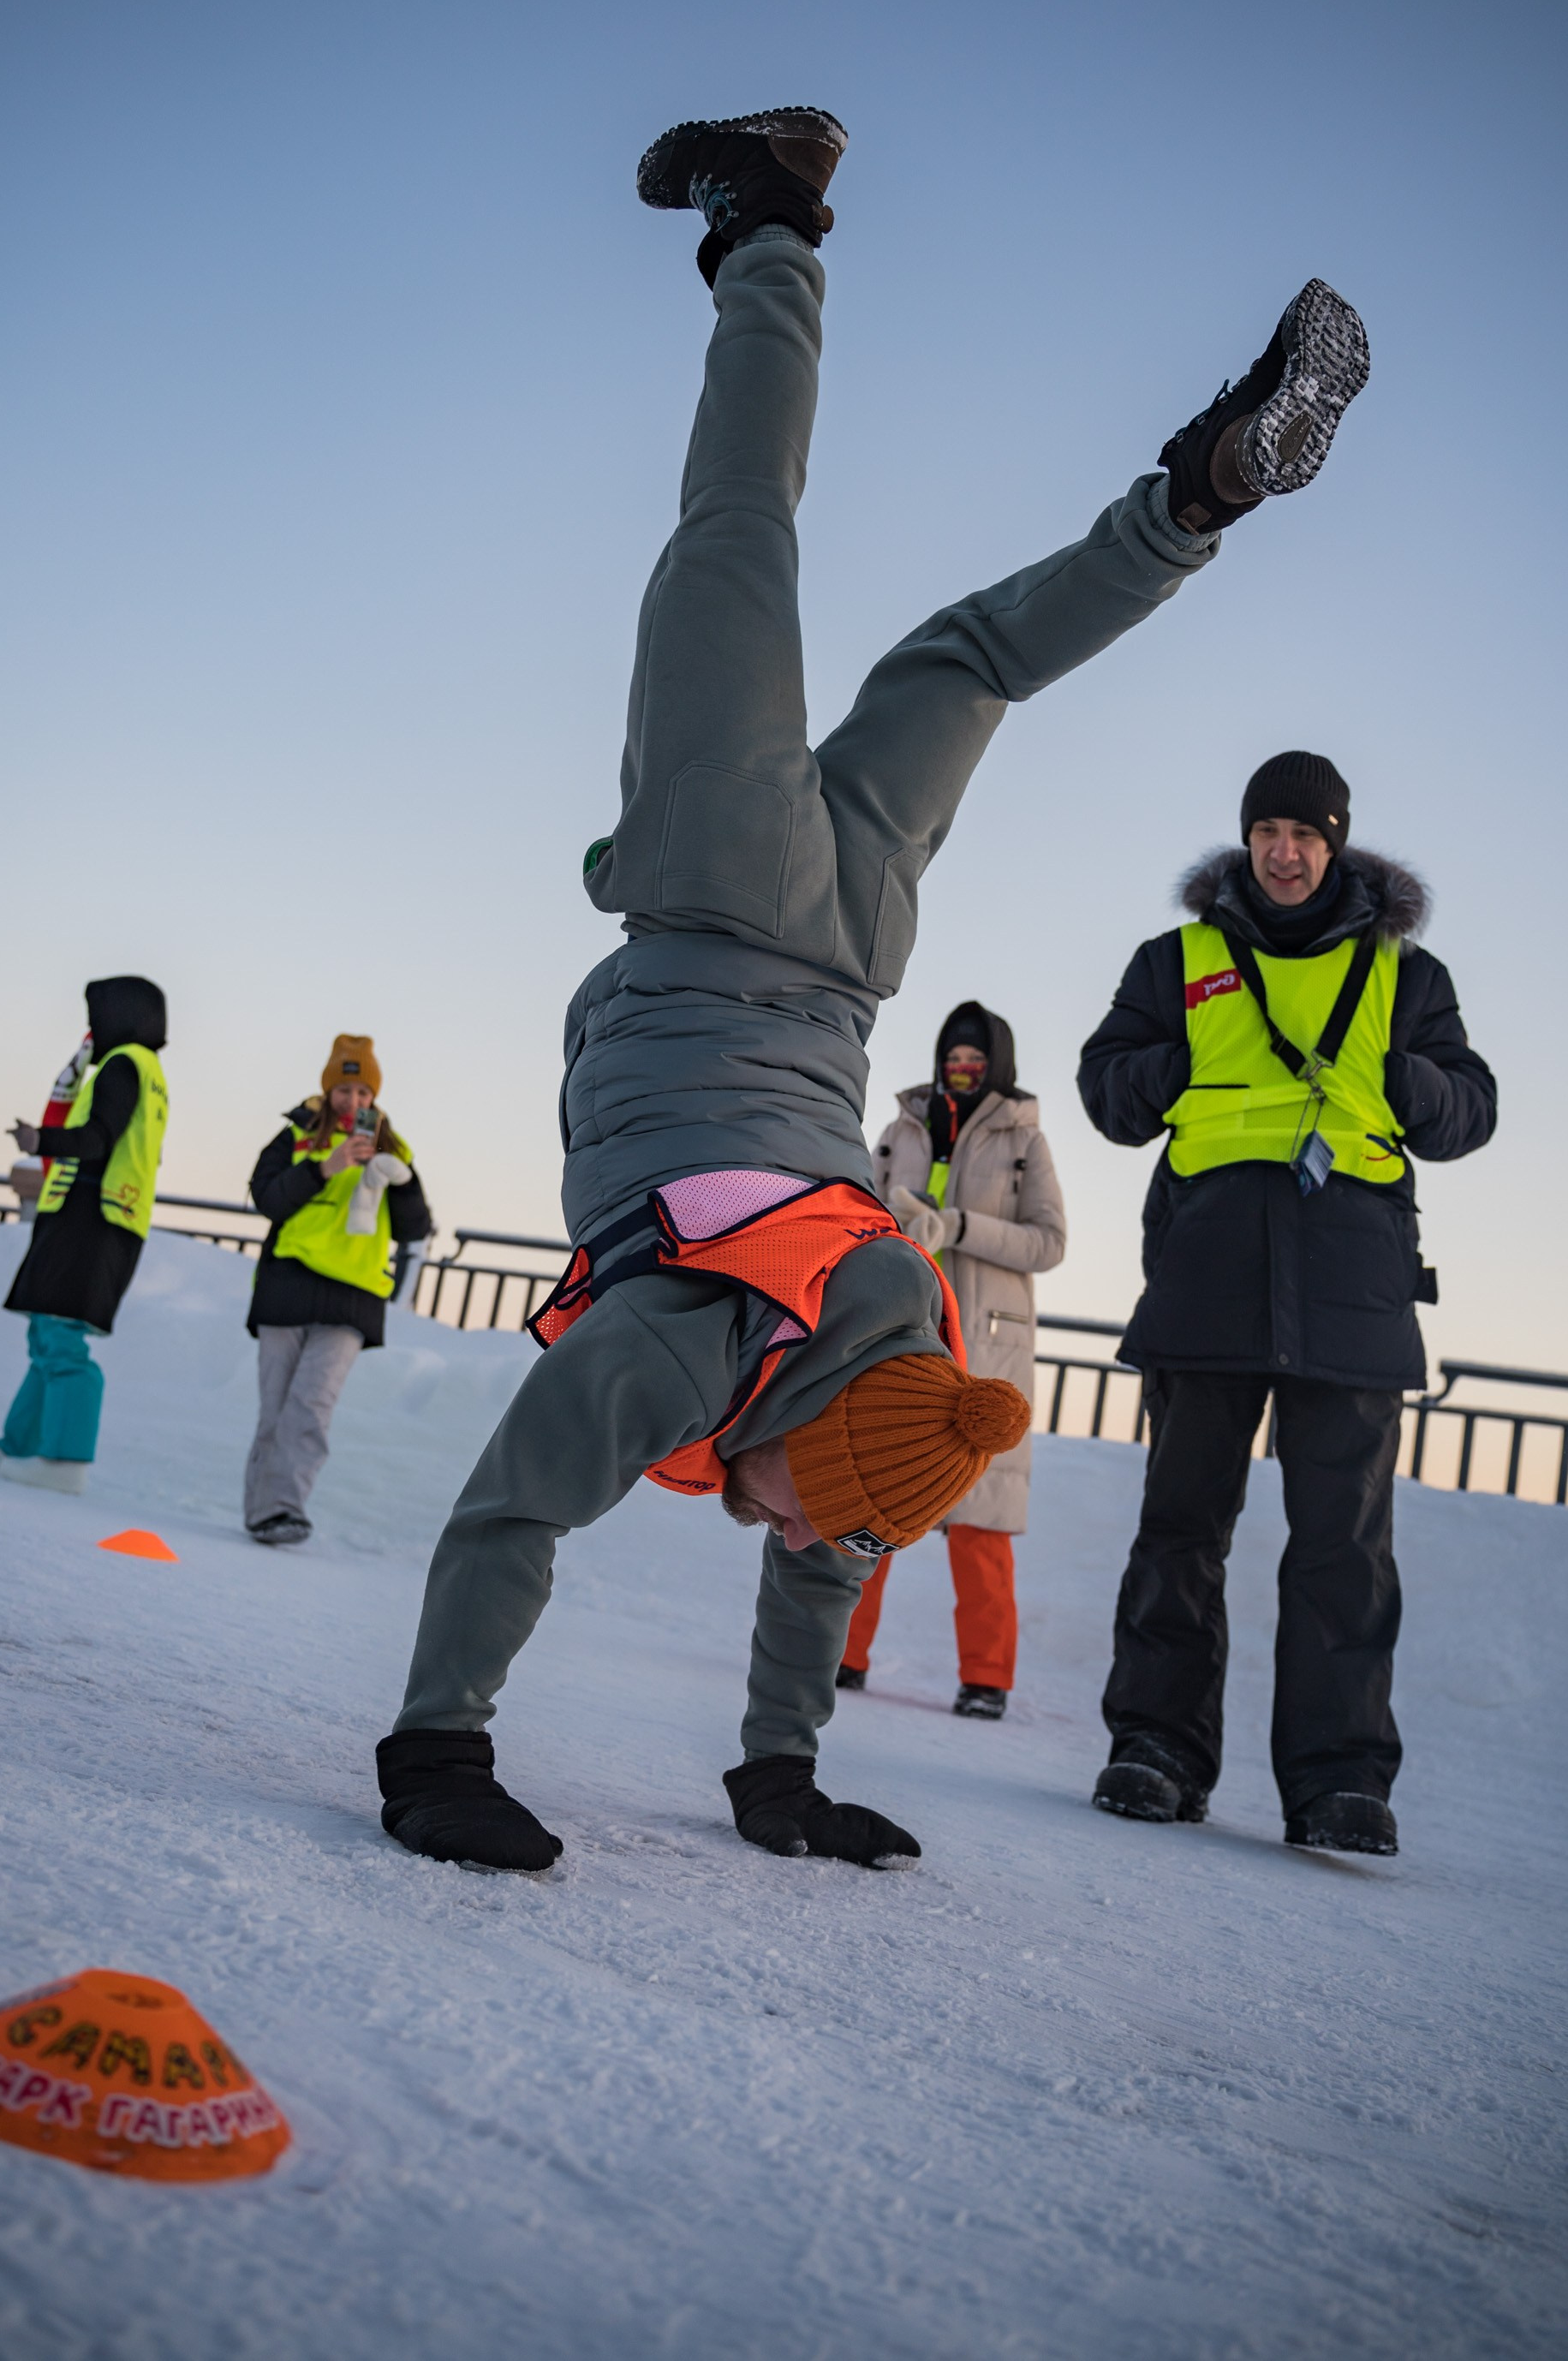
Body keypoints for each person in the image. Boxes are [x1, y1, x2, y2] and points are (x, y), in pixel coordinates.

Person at [376, 104, 1371, 1878]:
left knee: (975, 659)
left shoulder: (891, 1346)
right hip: (708, 887)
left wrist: (782, 1772)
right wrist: (438, 1747)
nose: (785, 1527)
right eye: (792, 1504)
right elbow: (514, 1501)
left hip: (853, 945)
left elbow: (832, 1531)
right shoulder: (704, 1338)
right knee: (737, 519)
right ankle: (774, 217)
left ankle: (1194, 498)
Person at [1077, 754, 1496, 1855]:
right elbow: (1105, 1093)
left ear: (1337, 839)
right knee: (1180, 1528)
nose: (1285, 848)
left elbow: (1470, 1112)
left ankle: (1339, 1780)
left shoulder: (1408, 972)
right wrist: (1170, 1065)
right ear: (1246, 838)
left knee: (1342, 1550)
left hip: (1353, 1286)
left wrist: (1410, 1084)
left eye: (1305, 831)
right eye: (1266, 827)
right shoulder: (1175, 959)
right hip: (1208, 1271)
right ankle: (1156, 1749)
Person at [850, 1002, 1066, 1716]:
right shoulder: (899, 1128)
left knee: (981, 1516)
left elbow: (1048, 1242)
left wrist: (962, 1226)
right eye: (953, 1055)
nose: (961, 1068)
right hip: (903, 1328)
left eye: (976, 1058)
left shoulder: (1024, 1141)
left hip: (987, 1341)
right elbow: (857, 1211)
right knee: (873, 1493)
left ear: (997, 1063)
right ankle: (839, 1653)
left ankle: (986, 1679)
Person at [0, 975, 170, 1495]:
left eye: (96, 1014)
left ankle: (63, 1461)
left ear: (120, 1015)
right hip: (91, 1214)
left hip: (92, 1217)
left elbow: (99, 1138)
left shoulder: (125, 1064)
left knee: (60, 1337)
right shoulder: (146, 1071)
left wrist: (41, 1139)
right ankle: (19, 1446)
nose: (90, 1027)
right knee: (46, 1333)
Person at [241, 1034, 432, 1547]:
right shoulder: (297, 1135)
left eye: (363, 1092)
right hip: (288, 1285)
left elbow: (415, 1228)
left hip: (354, 1296)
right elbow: (266, 1198)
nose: (354, 1102)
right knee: (277, 1408)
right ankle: (263, 1511)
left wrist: (404, 1180)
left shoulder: (394, 1145)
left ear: (374, 1097)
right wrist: (326, 1167)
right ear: (328, 1091)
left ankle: (282, 1509)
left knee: (312, 1406)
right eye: (344, 1090)